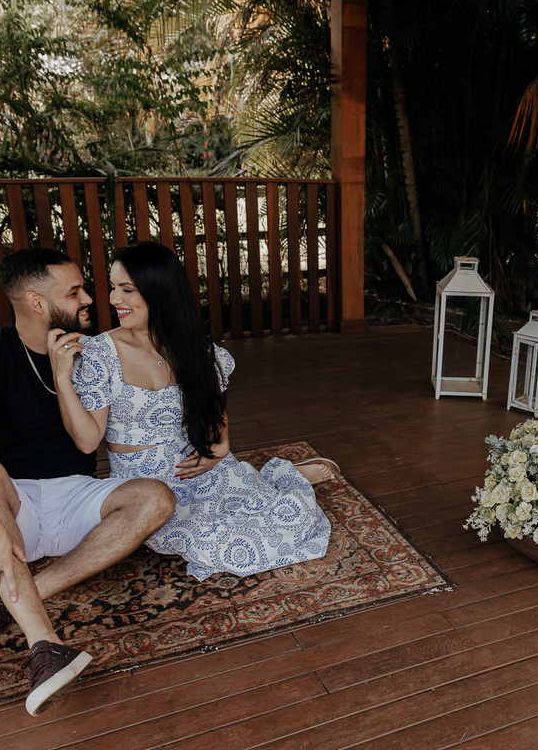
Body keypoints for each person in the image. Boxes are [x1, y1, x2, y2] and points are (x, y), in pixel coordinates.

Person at [0, 248, 176, 716]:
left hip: (78, 495)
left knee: (157, 498)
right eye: (75, 292)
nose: (89, 299)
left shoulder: (92, 350)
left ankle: (4, 601)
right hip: (13, 511)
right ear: (37, 302)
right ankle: (45, 645)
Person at [50, 240, 335, 581]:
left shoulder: (196, 349)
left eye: (127, 289)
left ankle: (276, 479)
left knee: (292, 518)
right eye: (113, 288)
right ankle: (278, 477)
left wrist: (221, 447)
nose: (113, 300)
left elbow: (215, 415)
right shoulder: (100, 354)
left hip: (201, 469)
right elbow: (86, 441)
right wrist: (62, 379)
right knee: (229, 543)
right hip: (148, 487)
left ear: (160, 291)